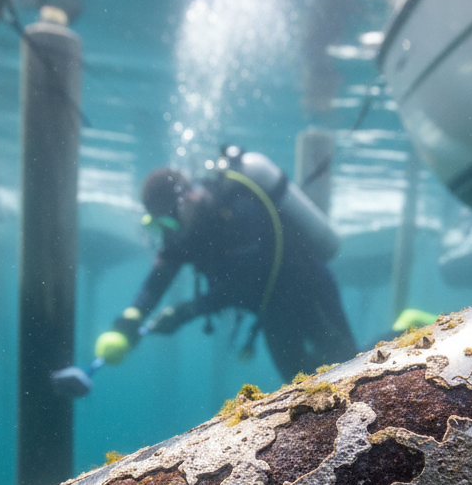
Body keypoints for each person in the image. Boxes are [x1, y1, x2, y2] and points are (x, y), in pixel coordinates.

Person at [93, 147, 356, 383]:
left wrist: (189, 310)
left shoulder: (236, 209)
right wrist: (130, 320)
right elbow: (157, 280)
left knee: (350, 369)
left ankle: (396, 334)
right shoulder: (183, 232)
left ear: (187, 199)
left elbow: (247, 278)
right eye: (158, 224)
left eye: (169, 221)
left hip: (308, 291)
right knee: (300, 386)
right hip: (272, 311)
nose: (168, 233)